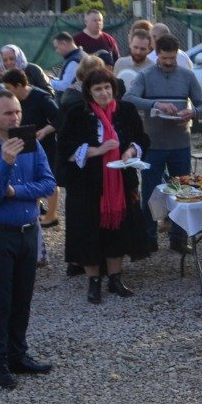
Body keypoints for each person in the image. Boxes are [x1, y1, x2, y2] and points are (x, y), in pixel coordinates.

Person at [0, 91, 58, 390]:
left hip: (28, 231)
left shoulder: (31, 144)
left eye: (17, 112)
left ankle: (18, 355)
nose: (15, 118)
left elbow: (48, 184)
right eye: (8, 113)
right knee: (0, 301)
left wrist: (15, 191)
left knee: (22, 298)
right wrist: (6, 164)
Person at [59, 70, 148, 304]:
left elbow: (141, 138)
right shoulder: (77, 113)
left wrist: (130, 151)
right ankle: (94, 281)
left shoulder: (126, 110)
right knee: (88, 231)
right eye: (98, 89)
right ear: (89, 92)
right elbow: (65, 146)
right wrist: (98, 150)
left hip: (121, 181)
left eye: (107, 87)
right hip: (86, 185)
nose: (103, 92)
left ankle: (115, 278)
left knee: (117, 230)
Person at [124, 35, 202, 251]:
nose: (169, 62)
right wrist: (156, 104)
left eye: (172, 58)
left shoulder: (187, 76)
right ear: (157, 54)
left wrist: (193, 112)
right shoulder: (146, 75)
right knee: (151, 192)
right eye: (164, 58)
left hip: (180, 143)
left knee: (182, 192)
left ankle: (178, 238)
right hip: (154, 144)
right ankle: (149, 237)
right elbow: (129, 98)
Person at [0, 69, 62, 227]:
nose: (6, 91)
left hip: (45, 144)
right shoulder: (14, 100)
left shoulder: (41, 97)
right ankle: (34, 211)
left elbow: (60, 118)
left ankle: (52, 215)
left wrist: (45, 131)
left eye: (9, 88)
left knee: (49, 179)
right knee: (31, 176)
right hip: (26, 143)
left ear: (19, 85)